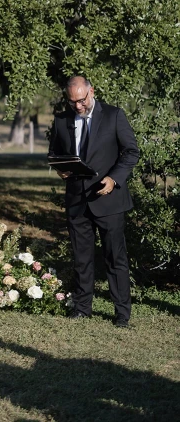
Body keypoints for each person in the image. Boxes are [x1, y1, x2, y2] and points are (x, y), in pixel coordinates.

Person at [49, 76, 139, 327]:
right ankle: (82, 308)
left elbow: (131, 152)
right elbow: (54, 153)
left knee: (115, 258)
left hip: (109, 200)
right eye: (72, 102)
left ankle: (122, 313)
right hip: (77, 201)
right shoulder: (62, 120)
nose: (78, 106)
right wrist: (60, 169)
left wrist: (114, 178)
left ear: (92, 92)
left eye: (81, 100)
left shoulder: (114, 116)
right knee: (81, 258)